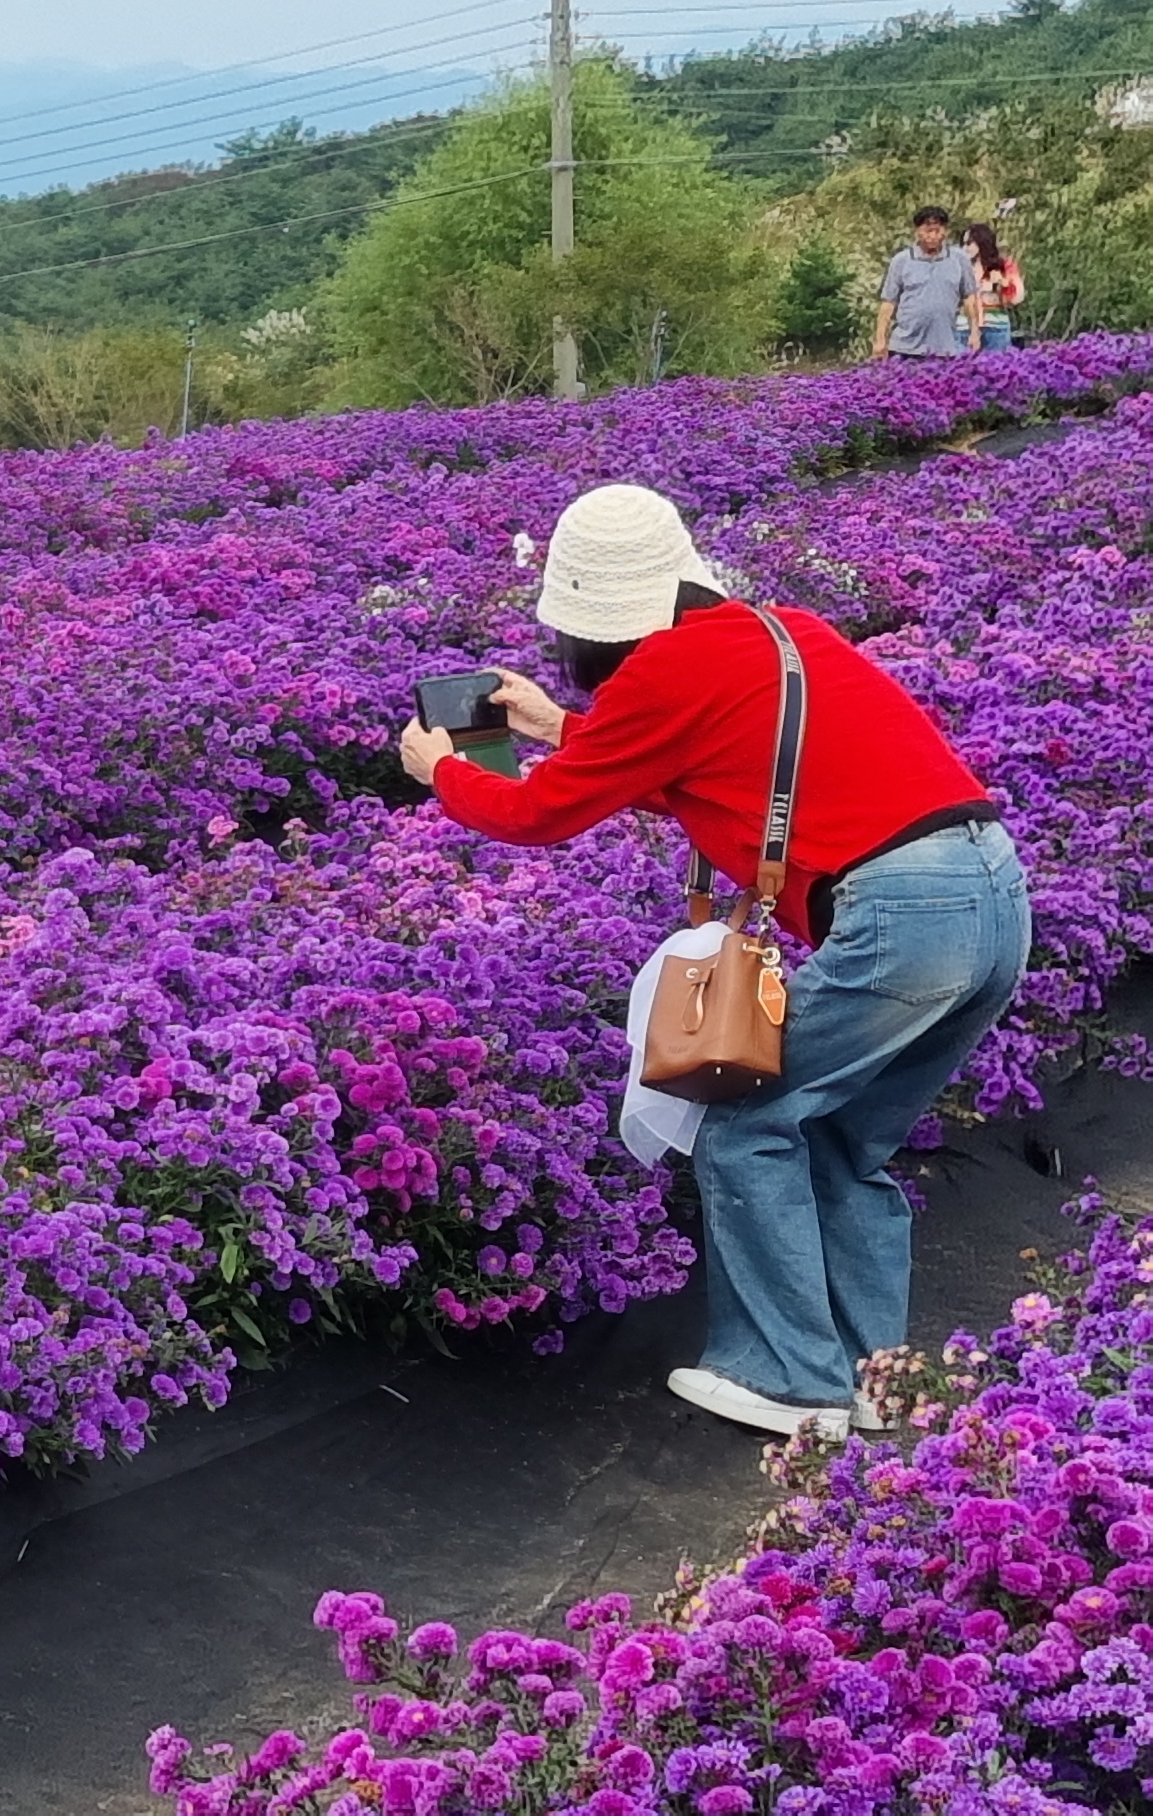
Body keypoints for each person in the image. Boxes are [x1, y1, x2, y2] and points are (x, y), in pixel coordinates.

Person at [396, 484, 1024, 1440]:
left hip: (902, 918)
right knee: (842, 1140)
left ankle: (793, 1383)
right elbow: (699, 768)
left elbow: (536, 813)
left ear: (587, 620)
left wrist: (442, 769)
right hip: (995, 894)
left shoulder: (661, 671)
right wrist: (560, 728)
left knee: (743, 1120)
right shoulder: (785, 631)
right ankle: (876, 1381)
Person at [869, 206, 982, 361]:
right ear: (917, 231)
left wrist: (974, 332)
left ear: (945, 231)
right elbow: (888, 303)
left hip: (945, 348)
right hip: (905, 348)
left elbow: (969, 298)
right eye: (928, 231)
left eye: (937, 230)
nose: (933, 236)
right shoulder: (901, 261)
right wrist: (880, 340)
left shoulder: (959, 259)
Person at [967, 221, 1026, 353]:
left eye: (969, 243)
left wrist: (1004, 282)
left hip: (996, 327)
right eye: (963, 243)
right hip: (966, 328)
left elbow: (1018, 297)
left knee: (997, 363)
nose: (966, 248)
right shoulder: (961, 267)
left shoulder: (1003, 266)